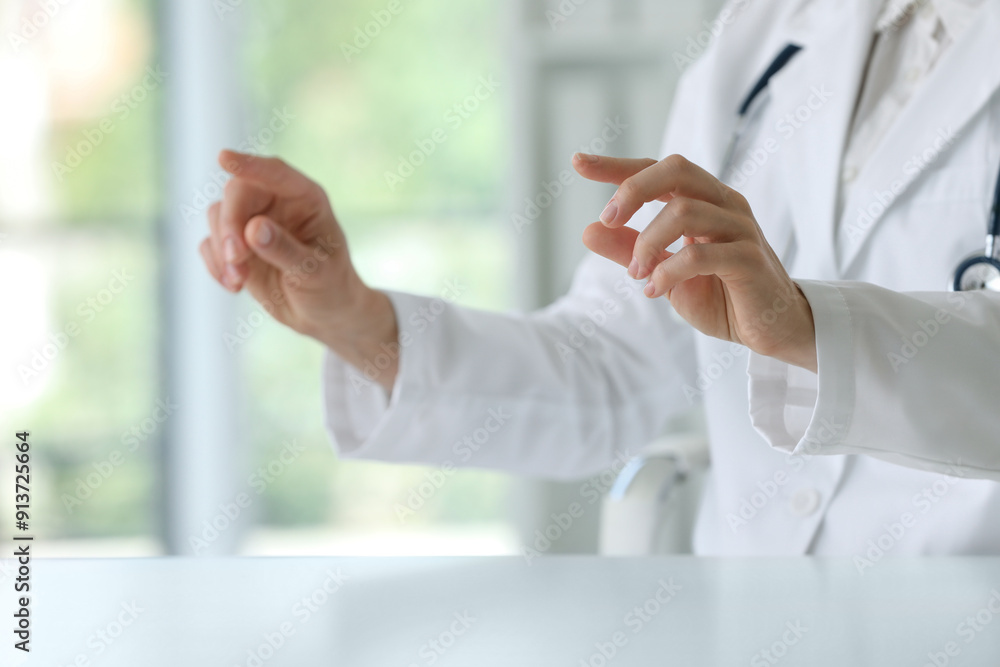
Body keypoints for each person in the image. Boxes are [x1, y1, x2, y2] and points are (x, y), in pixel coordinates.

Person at [199, 0, 1000, 556]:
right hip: (751, 621)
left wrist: (806, 327)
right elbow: (610, 367)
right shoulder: (766, 35)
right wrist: (358, 322)